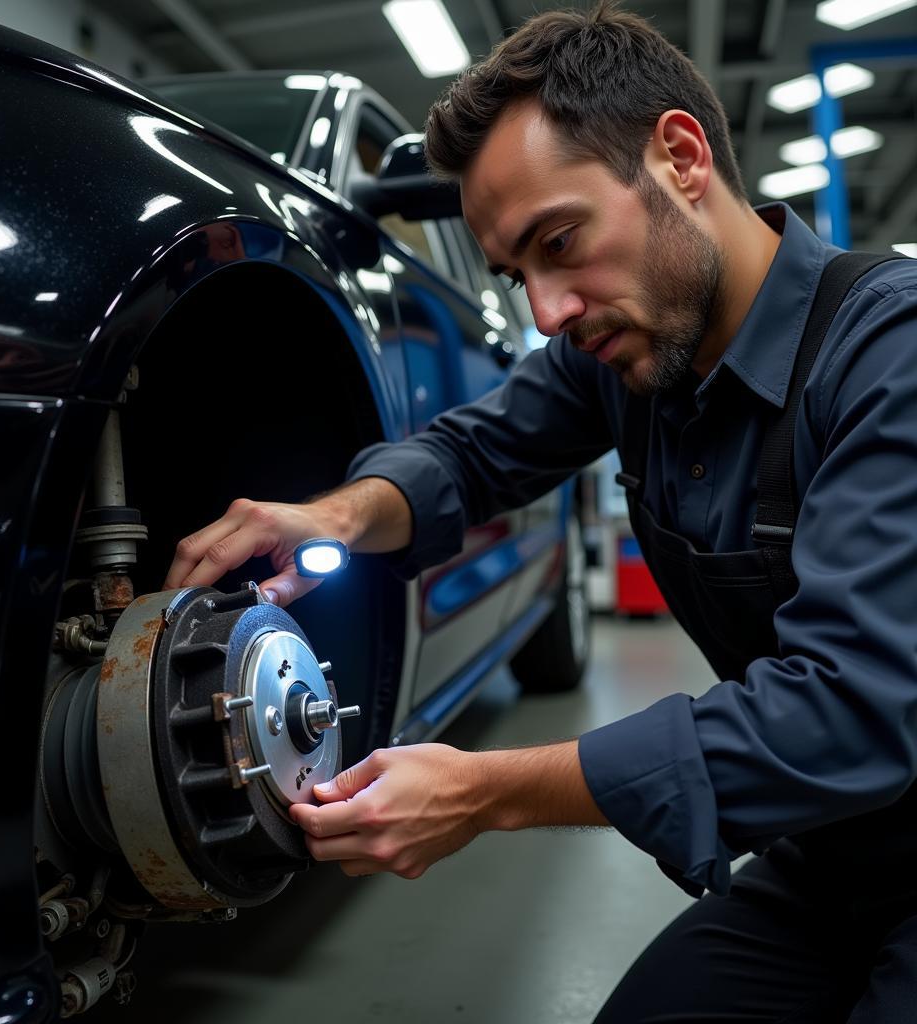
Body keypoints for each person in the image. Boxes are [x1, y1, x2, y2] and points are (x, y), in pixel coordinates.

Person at [164, 4, 917, 1019]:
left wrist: (485, 792)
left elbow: (847, 712)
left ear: (681, 158)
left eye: (560, 240)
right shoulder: (629, 353)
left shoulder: (888, 356)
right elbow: (471, 452)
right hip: (831, 849)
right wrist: (336, 516)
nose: (547, 313)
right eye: (520, 275)